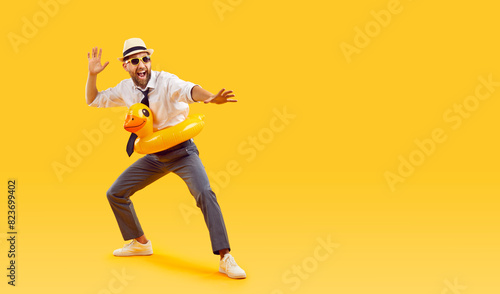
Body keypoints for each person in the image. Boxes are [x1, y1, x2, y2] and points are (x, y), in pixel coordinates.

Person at [85, 38, 246, 279]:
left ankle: (225, 257)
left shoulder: (166, 81)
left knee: (205, 193)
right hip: (154, 156)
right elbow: (93, 99)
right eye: (135, 60)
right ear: (126, 66)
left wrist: (210, 97)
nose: (142, 64)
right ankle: (140, 243)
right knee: (115, 193)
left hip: (183, 152)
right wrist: (92, 75)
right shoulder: (124, 89)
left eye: (146, 59)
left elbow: (189, 89)